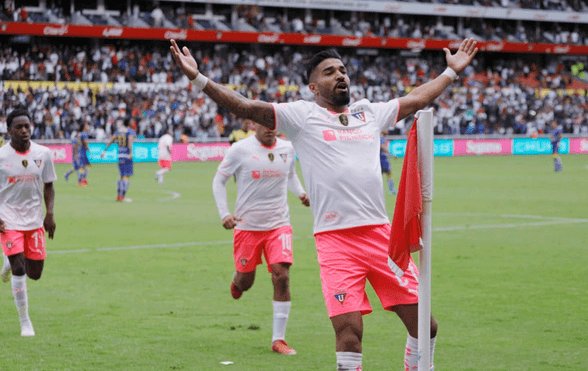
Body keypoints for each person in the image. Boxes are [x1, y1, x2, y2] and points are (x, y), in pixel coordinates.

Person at [171, 37, 478, 370]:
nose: (340, 75)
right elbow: (245, 106)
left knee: (426, 325)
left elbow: (416, 98)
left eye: (343, 70)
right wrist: (198, 78)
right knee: (349, 334)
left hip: (381, 237)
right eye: (330, 72)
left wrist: (450, 72)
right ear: (314, 87)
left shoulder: (368, 113)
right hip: (336, 243)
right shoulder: (302, 116)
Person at [212, 123, 310, 355]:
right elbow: (219, 180)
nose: (270, 129)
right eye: (264, 124)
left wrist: (301, 192)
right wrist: (224, 213)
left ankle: (279, 340)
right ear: (254, 124)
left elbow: (291, 176)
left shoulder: (287, 149)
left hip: (279, 224)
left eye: (274, 125)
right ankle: (237, 282)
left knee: (282, 275)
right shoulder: (240, 149)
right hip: (247, 227)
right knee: (246, 282)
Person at [0, 108, 57, 337]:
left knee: (35, 273)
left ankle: (6, 262)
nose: (24, 131)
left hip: (34, 220)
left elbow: (49, 185)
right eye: (19, 127)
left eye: (27, 126)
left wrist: (49, 213)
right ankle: (25, 322)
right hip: (8, 220)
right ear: (9, 130)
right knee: (19, 268)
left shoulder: (43, 153)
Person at [100, 119, 135, 202]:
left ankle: (118, 196)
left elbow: (112, 140)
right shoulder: (130, 131)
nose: (133, 122)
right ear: (129, 123)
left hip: (120, 155)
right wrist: (131, 153)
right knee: (126, 176)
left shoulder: (118, 131)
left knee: (121, 176)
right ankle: (123, 196)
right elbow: (130, 141)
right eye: (132, 121)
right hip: (126, 155)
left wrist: (105, 150)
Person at [380, 129, 397, 195]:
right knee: (388, 173)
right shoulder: (381, 137)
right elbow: (383, 147)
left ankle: (380, 190)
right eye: (386, 129)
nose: (387, 131)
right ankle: (391, 189)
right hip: (383, 158)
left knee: (381, 174)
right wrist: (391, 154)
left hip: (381, 158)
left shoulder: (380, 137)